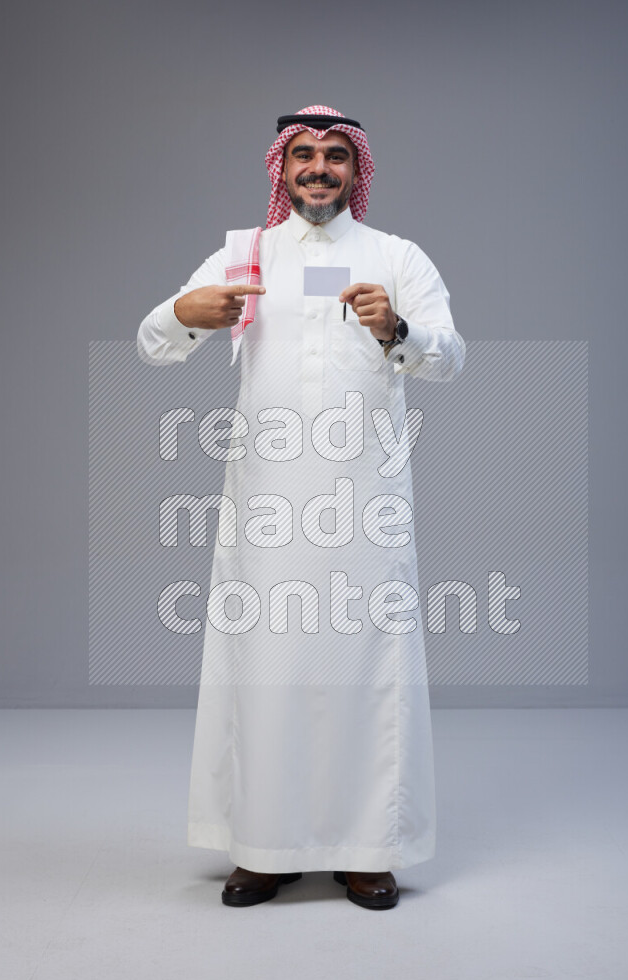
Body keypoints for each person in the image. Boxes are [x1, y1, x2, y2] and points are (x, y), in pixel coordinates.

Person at [137, 105, 465, 910]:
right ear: (282, 169)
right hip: (269, 505)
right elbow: (151, 340)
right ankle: (265, 847)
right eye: (304, 156)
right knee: (269, 668)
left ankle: (367, 850)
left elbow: (450, 358)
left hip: (363, 505)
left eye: (336, 156)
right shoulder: (244, 254)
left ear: (357, 170)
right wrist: (185, 315)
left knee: (365, 668)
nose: (319, 168)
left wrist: (398, 329)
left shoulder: (396, 258)